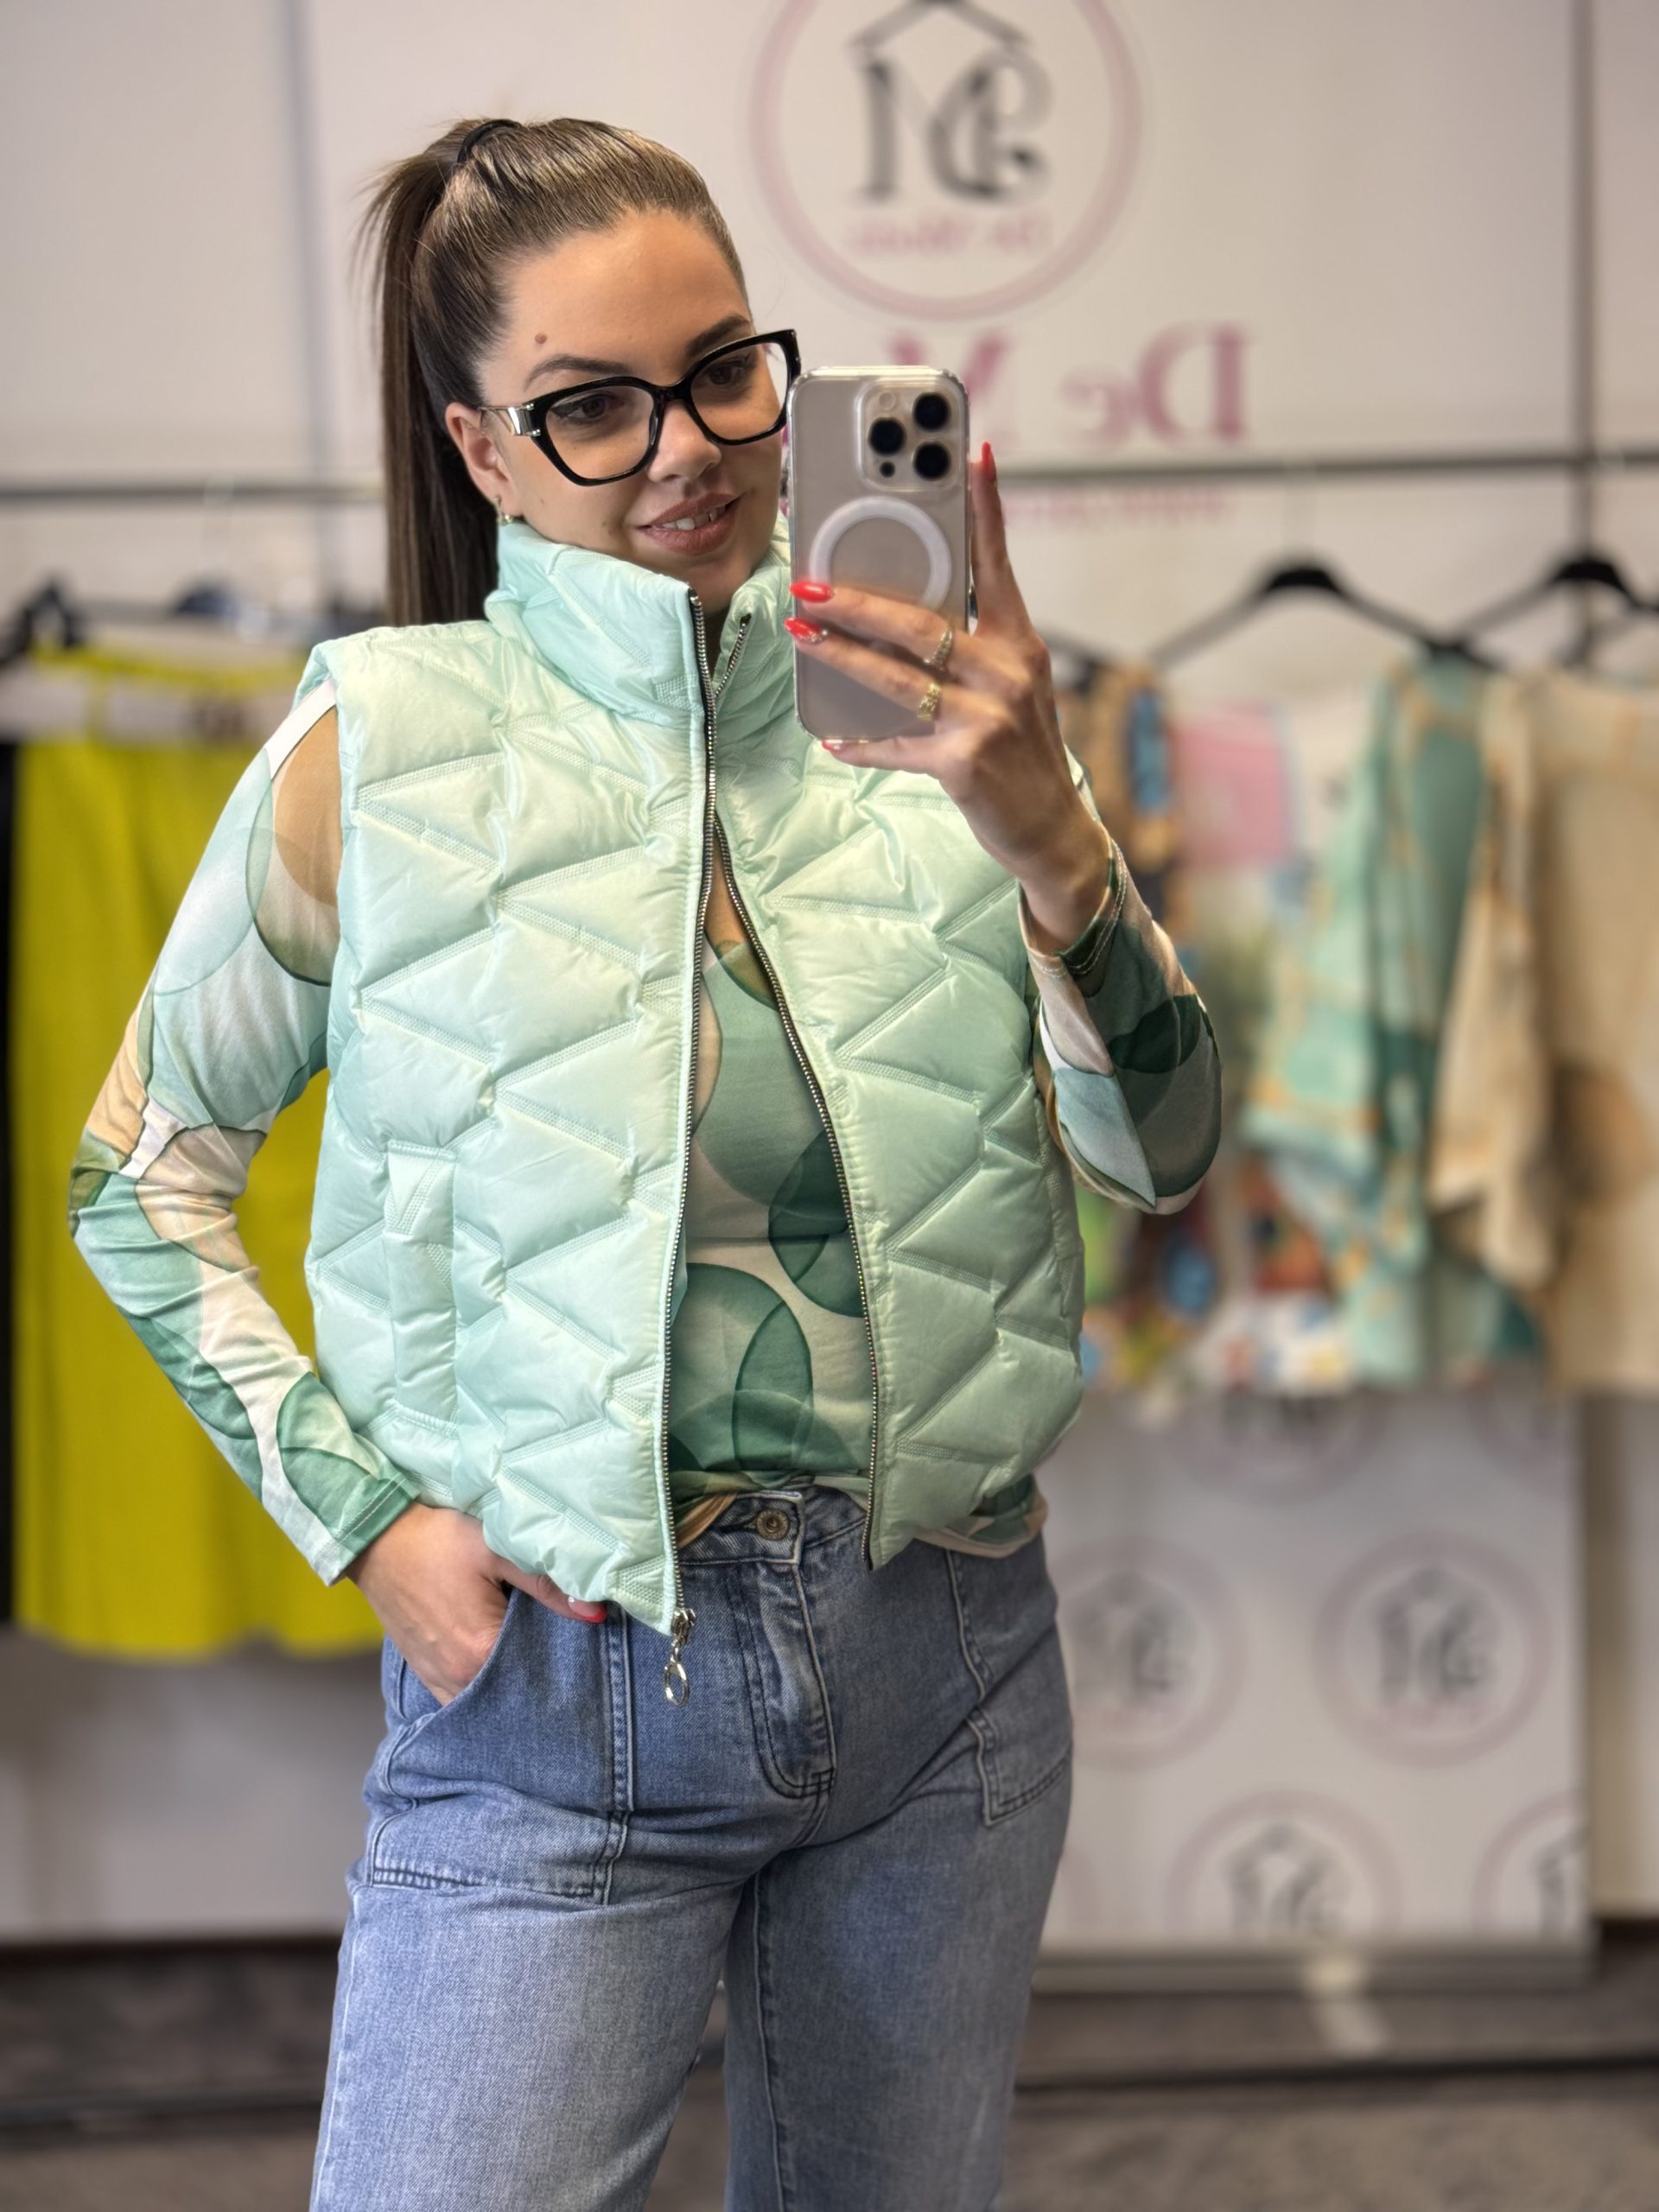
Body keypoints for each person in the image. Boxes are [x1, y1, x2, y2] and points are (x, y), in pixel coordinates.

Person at [68, 116, 1220, 2212]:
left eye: (720, 373)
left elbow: (1167, 1153)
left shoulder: (949, 738)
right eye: (591, 406)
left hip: (946, 1681)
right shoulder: (374, 750)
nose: (686, 447)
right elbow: (136, 1177)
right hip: (553, 1704)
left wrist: (1053, 833)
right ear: (481, 450)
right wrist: (367, 1518)